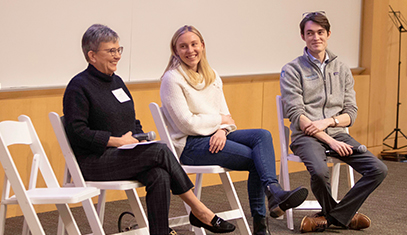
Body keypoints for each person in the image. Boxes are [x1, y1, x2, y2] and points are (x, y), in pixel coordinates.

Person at [63, 24, 236, 235]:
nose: (117, 56)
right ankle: (199, 209)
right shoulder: (78, 86)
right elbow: (76, 131)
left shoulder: (116, 82)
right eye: (111, 51)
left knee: (159, 174)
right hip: (94, 161)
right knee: (161, 150)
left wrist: (141, 139)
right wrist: (116, 141)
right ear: (92, 55)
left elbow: (132, 121)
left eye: (119, 50)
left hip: (121, 156)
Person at [160, 25, 308, 235]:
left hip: (215, 136)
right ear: (175, 51)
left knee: (262, 135)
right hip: (190, 145)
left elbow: (228, 118)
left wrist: (222, 130)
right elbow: (187, 123)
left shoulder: (211, 75)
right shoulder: (172, 79)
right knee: (258, 159)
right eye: (183, 46)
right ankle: (261, 222)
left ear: (202, 46)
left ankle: (273, 191)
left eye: (194, 44)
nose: (189, 50)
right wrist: (219, 121)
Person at [280, 12, 388, 233]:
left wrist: (328, 123)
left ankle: (333, 216)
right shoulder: (292, 69)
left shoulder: (343, 69)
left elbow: (351, 112)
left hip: (337, 134)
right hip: (305, 137)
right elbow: (296, 113)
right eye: (310, 33)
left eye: (320, 32)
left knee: (378, 169)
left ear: (328, 34)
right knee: (320, 172)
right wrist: (328, 138)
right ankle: (344, 216)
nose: (315, 37)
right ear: (303, 36)